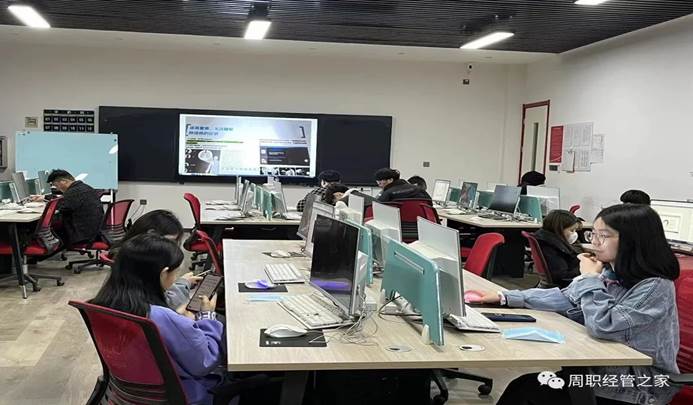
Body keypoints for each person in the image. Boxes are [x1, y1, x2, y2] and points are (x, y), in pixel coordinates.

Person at [478, 204, 680, 405]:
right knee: (523, 387)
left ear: (633, 241)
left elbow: (603, 325)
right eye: (593, 234)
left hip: (637, 386)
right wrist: (506, 297)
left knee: (530, 393)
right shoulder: (611, 273)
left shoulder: (655, 286)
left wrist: (590, 278)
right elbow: (565, 298)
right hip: (599, 373)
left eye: (604, 236)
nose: (595, 242)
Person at [91, 234, 224, 405]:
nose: (175, 278)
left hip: (129, 393)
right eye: (175, 273)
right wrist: (207, 316)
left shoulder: (103, 304)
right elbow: (205, 362)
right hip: (178, 396)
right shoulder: (159, 317)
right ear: (163, 274)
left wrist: (179, 320)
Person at [113, 210, 202, 309]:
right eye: (170, 242)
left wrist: (184, 282)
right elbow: (167, 303)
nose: (173, 248)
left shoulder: (127, 256)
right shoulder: (140, 263)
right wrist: (183, 284)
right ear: (151, 235)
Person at [31, 169, 103, 247]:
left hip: (82, 235)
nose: (57, 189)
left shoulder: (74, 192)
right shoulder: (83, 187)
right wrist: (45, 197)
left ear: (63, 181)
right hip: (93, 231)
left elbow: (61, 205)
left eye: (56, 185)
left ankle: (32, 250)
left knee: (35, 227)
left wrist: (41, 206)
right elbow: (64, 200)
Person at [533, 210, 582, 288]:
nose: (575, 234)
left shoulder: (549, 240)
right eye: (572, 230)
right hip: (568, 285)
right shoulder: (550, 246)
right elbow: (562, 276)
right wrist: (585, 268)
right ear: (559, 229)